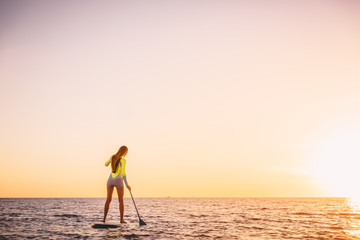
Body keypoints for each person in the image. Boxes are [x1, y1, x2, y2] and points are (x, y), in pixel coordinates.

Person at [103, 145, 131, 223]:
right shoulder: (123, 160)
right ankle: (121, 219)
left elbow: (106, 164)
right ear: (124, 152)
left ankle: (104, 219)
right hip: (118, 181)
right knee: (121, 201)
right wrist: (127, 184)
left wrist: (110, 161)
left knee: (108, 200)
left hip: (110, 180)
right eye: (126, 152)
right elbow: (123, 173)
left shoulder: (112, 157)